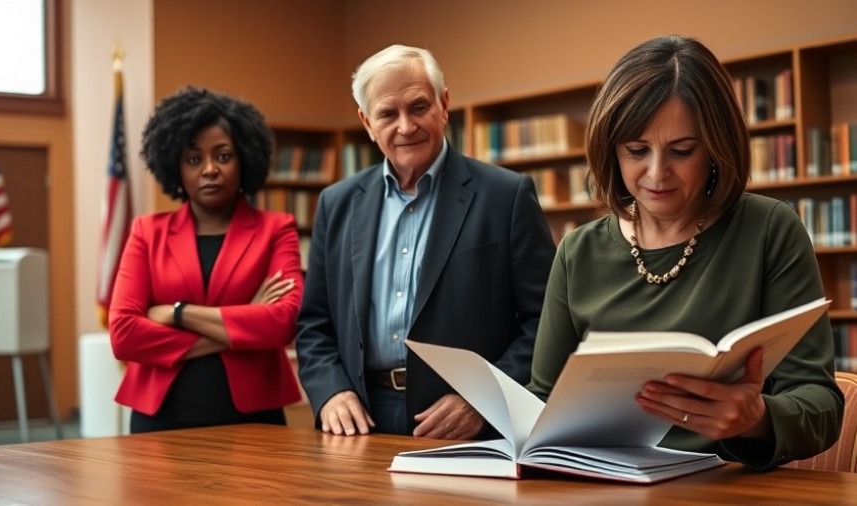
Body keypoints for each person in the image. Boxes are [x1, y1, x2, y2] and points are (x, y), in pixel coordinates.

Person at [528, 35, 844, 469]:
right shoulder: (577, 251)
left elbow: (821, 405)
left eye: (682, 151)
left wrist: (756, 418)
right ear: (611, 151)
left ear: (716, 146)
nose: (657, 174)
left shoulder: (769, 229)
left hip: (726, 490)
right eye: (637, 151)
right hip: (601, 484)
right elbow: (543, 401)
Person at [296, 44, 555, 439]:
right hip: (361, 421)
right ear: (367, 122)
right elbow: (315, 323)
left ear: (444, 104)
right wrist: (331, 391)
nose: (405, 126)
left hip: (466, 424)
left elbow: (547, 321)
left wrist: (483, 397)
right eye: (387, 113)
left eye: (418, 107)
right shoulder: (337, 203)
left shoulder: (506, 196)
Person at [109, 86, 304, 433]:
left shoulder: (277, 229)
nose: (210, 169)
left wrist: (177, 313)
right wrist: (245, 321)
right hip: (159, 420)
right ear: (176, 166)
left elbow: (282, 323)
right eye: (194, 159)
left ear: (245, 159)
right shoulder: (146, 232)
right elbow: (124, 334)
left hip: (253, 421)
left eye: (224, 156)